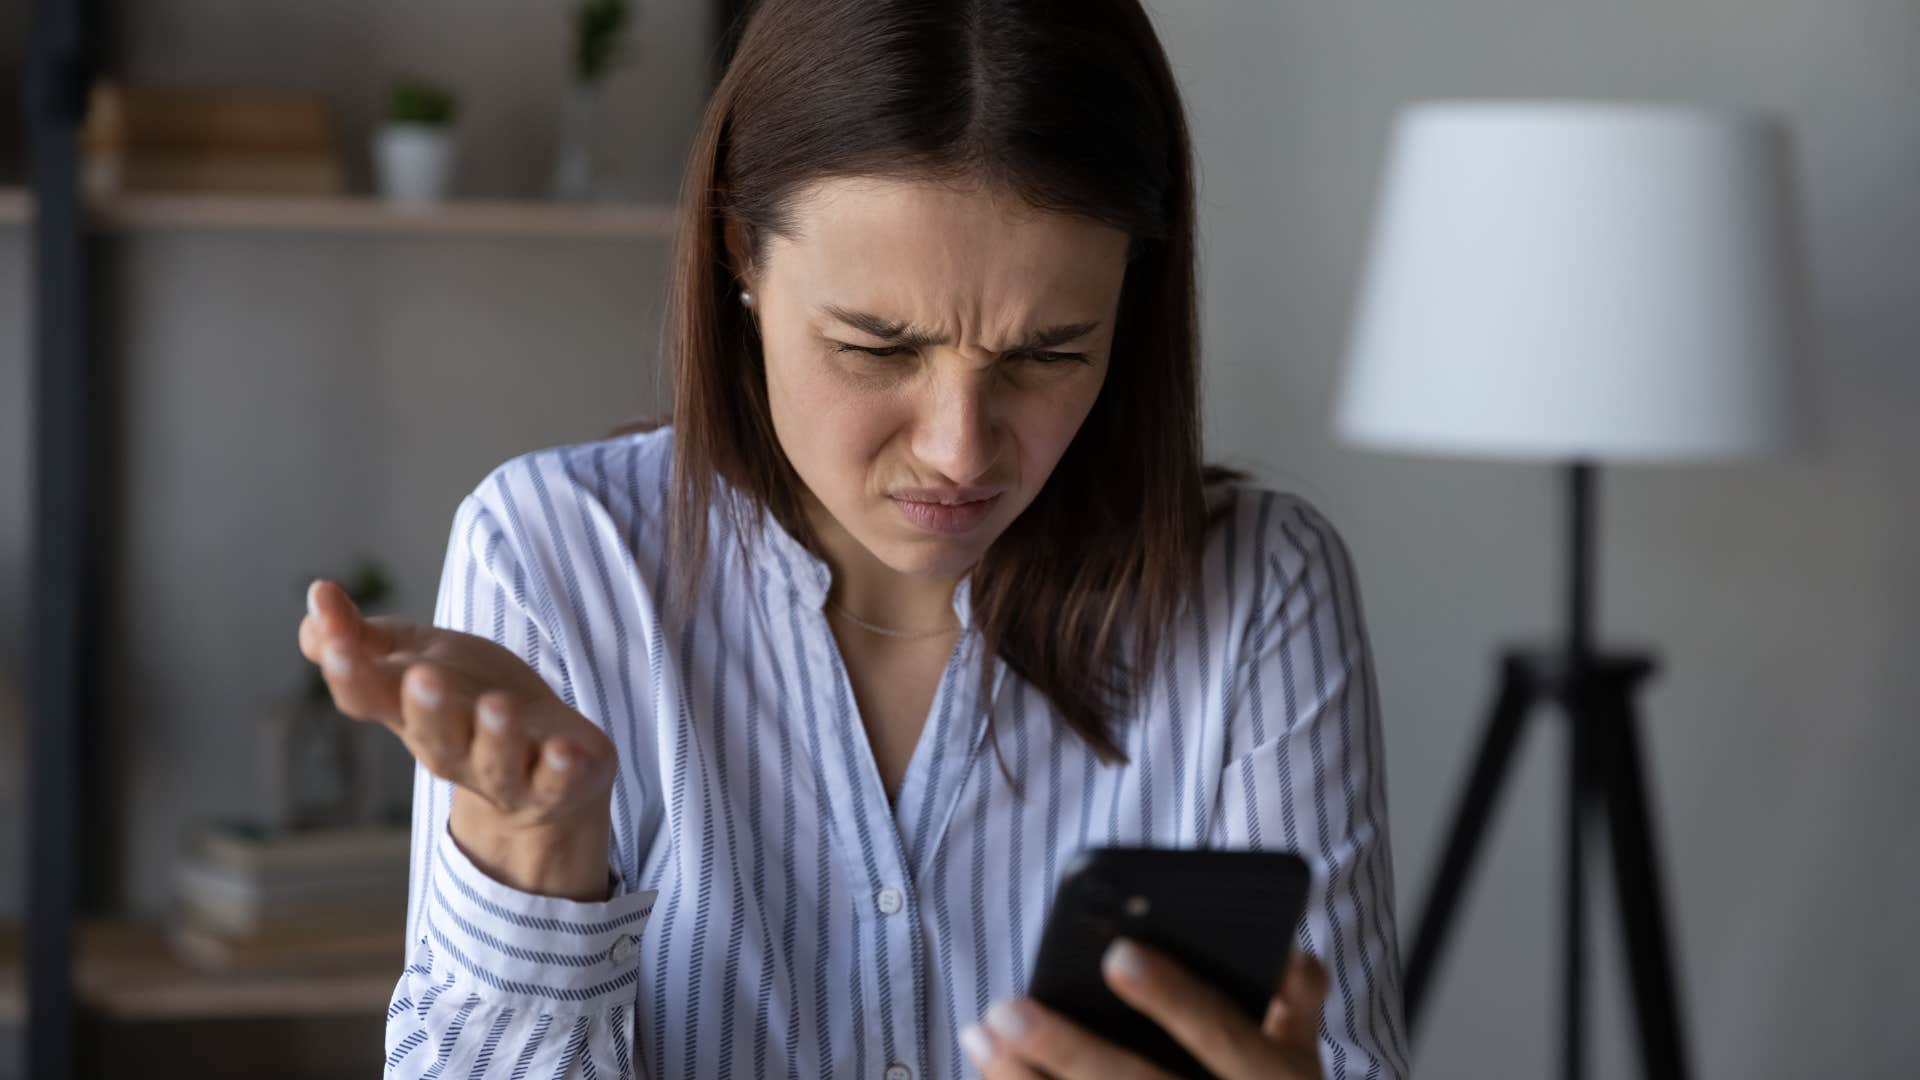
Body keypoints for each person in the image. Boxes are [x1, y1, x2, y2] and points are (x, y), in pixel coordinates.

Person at [296, 0, 1412, 1076]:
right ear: (741, 252)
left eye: (1049, 354)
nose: (960, 451)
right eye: (878, 349)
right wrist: (535, 855)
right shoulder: (552, 558)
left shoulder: (1260, 590)